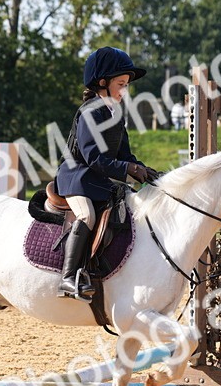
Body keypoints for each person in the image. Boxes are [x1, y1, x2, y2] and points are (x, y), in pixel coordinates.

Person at [55, 47, 159, 301]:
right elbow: (92, 156)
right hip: (76, 177)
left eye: (126, 85)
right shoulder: (90, 111)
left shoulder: (115, 113)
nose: (125, 90)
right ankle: (68, 278)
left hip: (96, 180)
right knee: (86, 215)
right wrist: (128, 169)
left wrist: (144, 171)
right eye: (121, 84)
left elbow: (124, 155)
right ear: (102, 83)